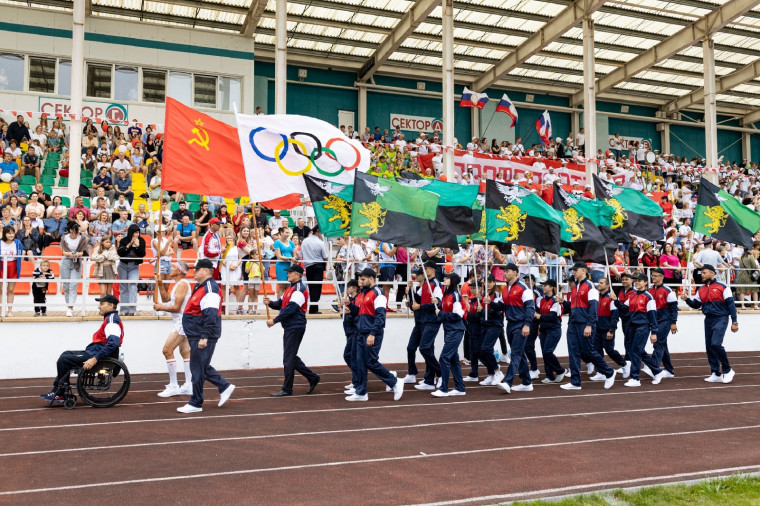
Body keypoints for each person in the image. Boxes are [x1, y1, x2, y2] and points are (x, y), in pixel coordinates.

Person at [40, 295, 124, 404]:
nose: (99, 307)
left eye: (102, 304)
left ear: (111, 305)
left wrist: (94, 359)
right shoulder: (109, 318)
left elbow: (113, 344)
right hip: (95, 351)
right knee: (66, 354)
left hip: (99, 355)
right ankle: (59, 390)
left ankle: (60, 393)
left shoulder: (112, 321)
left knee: (64, 360)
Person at [176, 259, 235, 413]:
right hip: (197, 333)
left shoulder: (210, 288)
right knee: (201, 366)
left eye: (197, 269)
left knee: (196, 368)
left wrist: (204, 337)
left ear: (206, 271)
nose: (194, 272)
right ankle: (224, 386)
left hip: (201, 334)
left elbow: (210, 315)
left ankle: (196, 402)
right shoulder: (200, 286)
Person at [344, 268, 403, 402]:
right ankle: (361, 392)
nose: (360, 281)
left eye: (363, 279)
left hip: (370, 333)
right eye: (359, 279)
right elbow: (359, 312)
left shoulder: (378, 293)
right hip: (360, 331)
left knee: (370, 361)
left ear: (371, 279)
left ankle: (394, 381)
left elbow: (380, 316)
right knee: (360, 362)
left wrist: (372, 333)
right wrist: (349, 305)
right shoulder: (362, 294)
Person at [264, 264, 320, 397]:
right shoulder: (290, 289)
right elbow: (281, 304)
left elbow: (291, 309)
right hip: (291, 326)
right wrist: (270, 303)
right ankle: (312, 377)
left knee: (288, 358)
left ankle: (287, 388)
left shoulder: (300, 289)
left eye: (290, 272)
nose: (288, 274)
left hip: (295, 326)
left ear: (297, 275)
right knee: (291, 357)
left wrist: (274, 321)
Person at [561, 262, 616, 391]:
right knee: (573, 352)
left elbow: (593, 306)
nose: (573, 272)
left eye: (576, 270)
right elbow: (573, 307)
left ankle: (609, 372)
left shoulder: (590, 286)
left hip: (584, 324)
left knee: (589, 352)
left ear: (584, 271)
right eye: (573, 270)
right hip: (573, 323)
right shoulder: (575, 288)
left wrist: (589, 324)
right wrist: (563, 302)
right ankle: (575, 382)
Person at [683, 264, 739, 384]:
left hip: (721, 318)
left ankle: (728, 370)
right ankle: (715, 373)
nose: (702, 275)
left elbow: (731, 305)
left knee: (716, 344)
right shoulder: (701, 289)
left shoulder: (723, 287)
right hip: (708, 319)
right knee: (709, 346)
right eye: (701, 273)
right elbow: (696, 305)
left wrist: (734, 322)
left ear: (712, 274)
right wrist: (687, 299)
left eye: (704, 273)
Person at [613, 273, 665, 387]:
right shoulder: (632, 295)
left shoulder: (648, 297)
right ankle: (657, 371)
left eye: (639, 281)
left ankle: (635, 378)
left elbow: (652, 316)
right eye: (636, 281)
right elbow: (623, 309)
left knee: (636, 351)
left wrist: (654, 332)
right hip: (632, 326)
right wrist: (615, 300)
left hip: (643, 326)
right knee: (638, 351)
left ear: (645, 283)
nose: (637, 282)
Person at [153, 261, 193, 397]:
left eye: (174, 267)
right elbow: (165, 298)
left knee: (167, 350)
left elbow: (175, 307)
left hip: (182, 321)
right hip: (180, 321)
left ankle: (174, 385)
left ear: (180, 271)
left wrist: (161, 308)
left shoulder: (182, 284)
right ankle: (189, 384)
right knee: (185, 352)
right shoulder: (177, 284)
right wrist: (159, 284)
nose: (171, 268)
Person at [495, 263, 536, 394]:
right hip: (510, 324)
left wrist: (526, 325)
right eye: (504, 271)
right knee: (520, 354)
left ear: (515, 272)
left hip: (520, 324)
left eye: (507, 271)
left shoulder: (524, 289)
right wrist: (490, 303)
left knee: (516, 354)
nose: (505, 273)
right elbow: (501, 305)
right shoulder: (505, 289)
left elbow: (530, 308)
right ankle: (527, 382)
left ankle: (508, 381)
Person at [432, 272, 467, 397]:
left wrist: (441, 314)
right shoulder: (446, 295)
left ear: (452, 281)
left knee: (444, 357)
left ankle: (444, 389)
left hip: (456, 330)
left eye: (447, 278)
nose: (444, 279)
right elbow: (446, 309)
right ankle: (460, 388)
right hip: (449, 330)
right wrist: (438, 304)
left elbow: (457, 315)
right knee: (453, 359)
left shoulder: (455, 295)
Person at [413, 260, 443, 390]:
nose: (424, 270)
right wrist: (411, 289)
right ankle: (429, 380)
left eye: (426, 268)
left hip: (432, 320)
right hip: (425, 320)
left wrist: (419, 306)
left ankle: (441, 373)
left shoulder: (435, 284)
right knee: (428, 349)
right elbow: (418, 298)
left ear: (432, 270)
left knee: (424, 348)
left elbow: (436, 304)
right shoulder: (426, 284)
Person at [591, 278, 627, 380]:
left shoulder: (611, 298)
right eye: (599, 282)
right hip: (596, 329)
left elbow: (615, 316)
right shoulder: (596, 298)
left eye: (601, 283)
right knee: (597, 351)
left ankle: (624, 364)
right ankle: (600, 372)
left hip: (607, 329)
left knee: (609, 350)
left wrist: (611, 330)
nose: (599, 284)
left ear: (607, 286)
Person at [647, 268, 678, 379]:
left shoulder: (668, 291)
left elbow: (674, 308)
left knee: (658, 342)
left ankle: (654, 367)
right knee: (663, 344)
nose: (653, 278)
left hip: (665, 319)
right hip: (654, 320)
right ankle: (669, 370)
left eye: (655, 276)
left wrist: (673, 322)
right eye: (652, 276)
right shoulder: (649, 290)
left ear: (662, 277)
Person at [535, 279, 567, 383]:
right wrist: (539, 327)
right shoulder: (542, 300)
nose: (543, 287)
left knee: (547, 352)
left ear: (551, 287)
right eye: (543, 285)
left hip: (553, 329)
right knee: (545, 354)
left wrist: (540, 316)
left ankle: (560, 370)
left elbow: (553, 316)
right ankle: (549, 375)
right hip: (544, 329)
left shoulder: (555, 301)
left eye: (545, 285)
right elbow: (540, 314)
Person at [477, 274, 505, 386]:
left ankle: (497, 371)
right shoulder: (483, 295)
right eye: (486, 281)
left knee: (486, 348)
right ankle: (491, 374)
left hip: (494, 325)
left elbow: (497, 311)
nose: (488, 283)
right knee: (479, 351)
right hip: (485, 324)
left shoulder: (497, 295)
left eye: (490, 281)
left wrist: (483, 310)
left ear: (494, 283)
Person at [117, 224, 146, 316]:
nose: (136, 234)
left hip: (134, 266)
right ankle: (124, 310)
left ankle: (132, 310)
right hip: (123, 265)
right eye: (135, 232)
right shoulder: (124, 240)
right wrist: (130, 244)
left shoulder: (141, 240)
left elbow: (142, 254)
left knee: (133, 286)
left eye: (138, 232)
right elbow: (120, 253)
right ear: (130, 233)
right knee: (124, 287)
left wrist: (137, 246)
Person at [60, 221, 87, 317]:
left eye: (79, 229)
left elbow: (84, 251)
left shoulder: (82, 238)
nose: (79, 231)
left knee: (73, 285)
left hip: (77, 262)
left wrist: (77, 254)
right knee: (66, 285)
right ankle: (68, 306)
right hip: (66, 261)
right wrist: (69, 254)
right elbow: (63, 251)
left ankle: (70, 307)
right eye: (77, 229)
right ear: (71, 230)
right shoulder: (64, 237)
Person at [301, 226, 328, 314]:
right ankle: (313, 308)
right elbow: (326, 257)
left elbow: (301, 253)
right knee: (316, 287)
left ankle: (313, 307)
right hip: (318, 266)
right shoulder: (320, 242)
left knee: (312, 287)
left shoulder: (304, 241)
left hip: (308, 266)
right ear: (318, 231)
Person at [340, 279, 361, 394]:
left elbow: (357, 312)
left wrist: (348, 310)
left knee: (350, 356)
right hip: (349, 331)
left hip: (354, 331)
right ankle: (356, 380)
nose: (347, 289)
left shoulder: (356, 299)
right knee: (351, 357)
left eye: (348, 287)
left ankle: (357, 381)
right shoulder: (351, 300)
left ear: (354, 288)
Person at [0, 225, 22, 316]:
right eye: (9, 233)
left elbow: (20, 256)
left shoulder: (17, 243)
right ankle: (1, 310)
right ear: (5, 234)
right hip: (1, 266)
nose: (11, 235)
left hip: (13, 266)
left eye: (13, 233)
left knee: (11, 289)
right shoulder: (0, 242)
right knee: (0, 290)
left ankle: (9, 310)